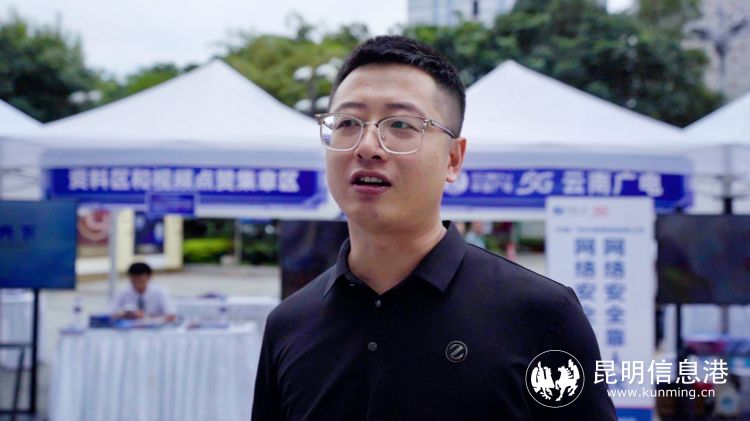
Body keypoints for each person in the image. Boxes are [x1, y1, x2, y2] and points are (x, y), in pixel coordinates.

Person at [252, 36, 616, 420]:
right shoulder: (289, 325)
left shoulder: (541, 316)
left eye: (401, 124)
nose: (367, 146)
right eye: (347, 123)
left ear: (453, 159)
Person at [110, 262, 176, 321]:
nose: (137, 284)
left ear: (149, 277)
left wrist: (146, 317)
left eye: (140, 281)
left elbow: (171, 316)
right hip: (130, 329)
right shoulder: (122, 293)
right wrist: (124, 314)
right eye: (134, 281)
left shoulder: (160, 292)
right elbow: (109, 314)